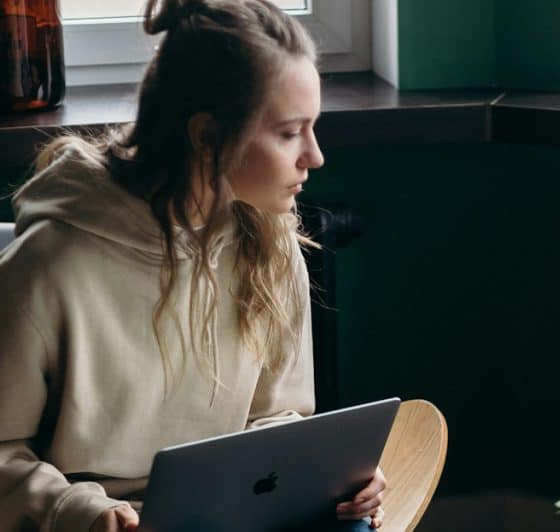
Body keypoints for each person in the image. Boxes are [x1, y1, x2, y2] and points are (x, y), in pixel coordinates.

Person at [0, 1, 386, 530]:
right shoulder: (48, 267)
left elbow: (278, 419)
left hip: (239, 513)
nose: (315, 156)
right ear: (206, 138)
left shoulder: (269, 237)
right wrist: (78, 512)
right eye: (289, 132)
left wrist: (333, 477)